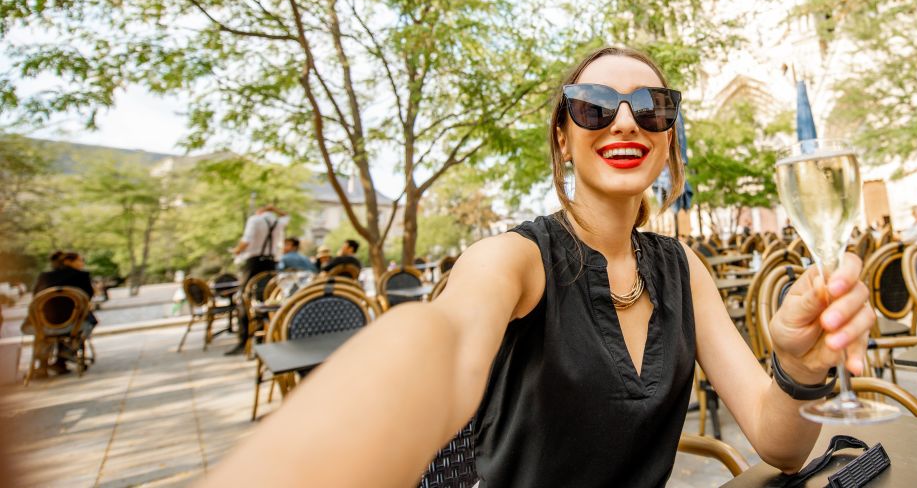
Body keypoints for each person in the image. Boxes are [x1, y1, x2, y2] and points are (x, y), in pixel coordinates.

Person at [204, 46, 876, 487]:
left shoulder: (680, 268)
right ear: (562, 136)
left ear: (669, 140)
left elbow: (781, 446)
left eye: (652, 107)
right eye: (593, 106)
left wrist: (803, 366)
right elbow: (437, 347)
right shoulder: (513, 259)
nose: (624, 123)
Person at [24, 251, 97, 376]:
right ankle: (67, 353)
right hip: (74, 326)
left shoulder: (44, 276)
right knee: (86, 318)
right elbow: (87, 298)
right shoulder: (81, 276)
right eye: (80, 260)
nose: (82, 263)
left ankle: (43, 365)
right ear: (68, 262)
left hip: (43, 325)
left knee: (43, 323)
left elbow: (35, 298)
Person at [229, 205, 288, 355]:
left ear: (260, 211)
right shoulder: (278, 222)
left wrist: (237, 250)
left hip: (254, 263)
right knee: (269, 298)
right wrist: (274, 209)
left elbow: (246, 240)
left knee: (243, 298)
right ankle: (266, 334)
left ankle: (244, 339)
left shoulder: (255, 220)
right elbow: (286, 215)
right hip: (271, 263)